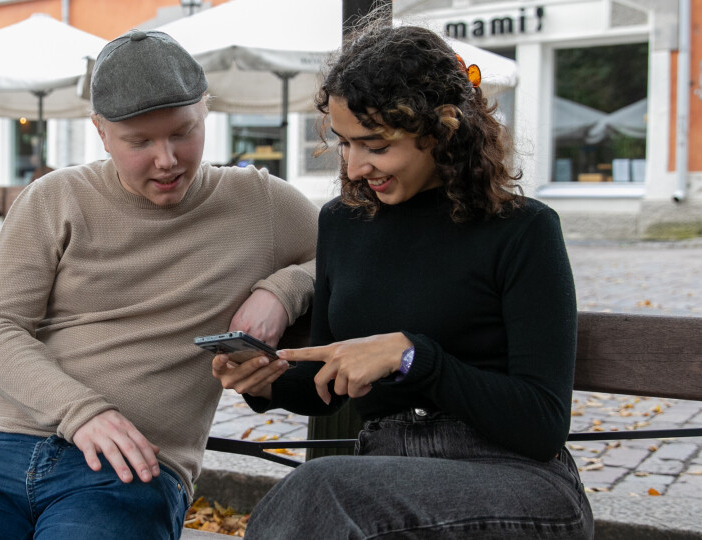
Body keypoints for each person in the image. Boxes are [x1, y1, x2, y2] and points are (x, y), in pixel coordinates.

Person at [0, 29, 318, 540]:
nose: (167, 159)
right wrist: (83, 413)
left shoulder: (258, 203)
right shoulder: (56, 198)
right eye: (139, 141)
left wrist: (283, 290)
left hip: (131, 469)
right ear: (101, 132)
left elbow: (344, 251)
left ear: (205, 110)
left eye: (182, 132)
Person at [212, 23, 594, 539]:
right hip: (382, 476)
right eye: (345, 143)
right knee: (325, 498)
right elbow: (326, 377)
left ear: (440, 129)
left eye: (375, 145)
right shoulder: (343, 224)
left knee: (319, 491)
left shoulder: (523, 230)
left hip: (515, 481)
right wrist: (266, 379)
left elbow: (542, 424)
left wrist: (414, 357)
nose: (354, 166)